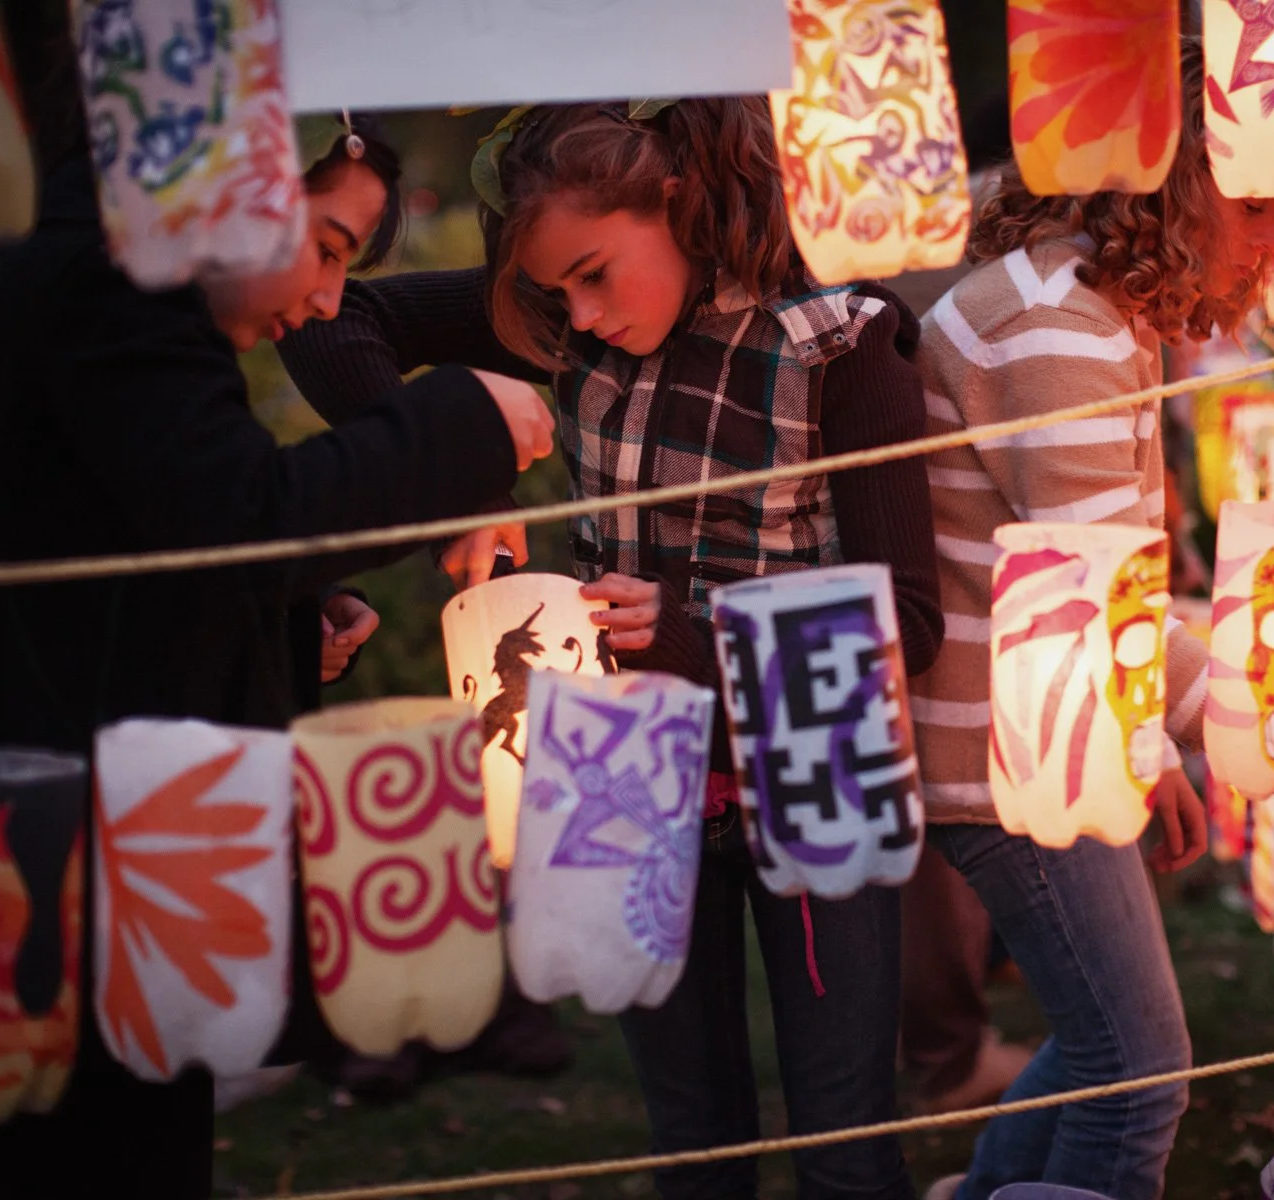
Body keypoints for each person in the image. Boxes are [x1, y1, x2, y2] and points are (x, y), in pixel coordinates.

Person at [278, 98, 941, 1200]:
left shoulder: (841, 343)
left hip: (814, 774)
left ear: (671, 202)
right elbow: (327, 318)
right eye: (554, 293)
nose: (577, 319)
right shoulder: (558, 328)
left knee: (845, 1143)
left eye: (593, 273)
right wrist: (461, 479)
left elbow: (905, 625)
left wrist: (684, 638)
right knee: (693, 1139)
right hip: (628, 791)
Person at [0, 36, 555, 1198]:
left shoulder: (112, 264)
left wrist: (283, 611)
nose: (323, 302)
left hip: (80, 828)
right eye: (324, 251)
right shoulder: (121, 285)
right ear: (251, 169)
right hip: (53, 847)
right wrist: (468, 421)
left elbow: (148, 530)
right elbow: (240, 512)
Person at [911, 39, 1274, 1200]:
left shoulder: (1081, 304)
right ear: (1171, 184)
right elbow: (1112, 608)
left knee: (1101, 1044)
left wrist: (1146, 738)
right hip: (1004, 750)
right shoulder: (1059, 337)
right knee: (1135, 1078)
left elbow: (1097, 585)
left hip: (1047, 721)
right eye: (1261, 206)